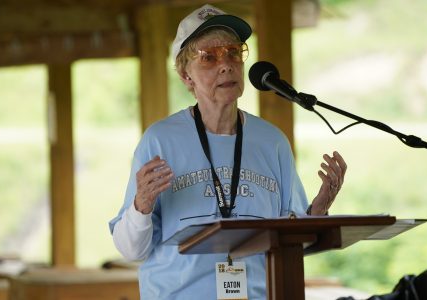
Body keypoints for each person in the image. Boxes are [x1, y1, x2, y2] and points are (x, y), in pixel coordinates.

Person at [109, 4, 347, 299]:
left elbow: (297, 240)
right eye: (209, 57)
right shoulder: (160, 140)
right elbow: (131, 250)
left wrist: (318, 211)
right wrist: (141, 206)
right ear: (186, 76)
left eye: (233, 52)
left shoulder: (272, 141)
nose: (226, 65)